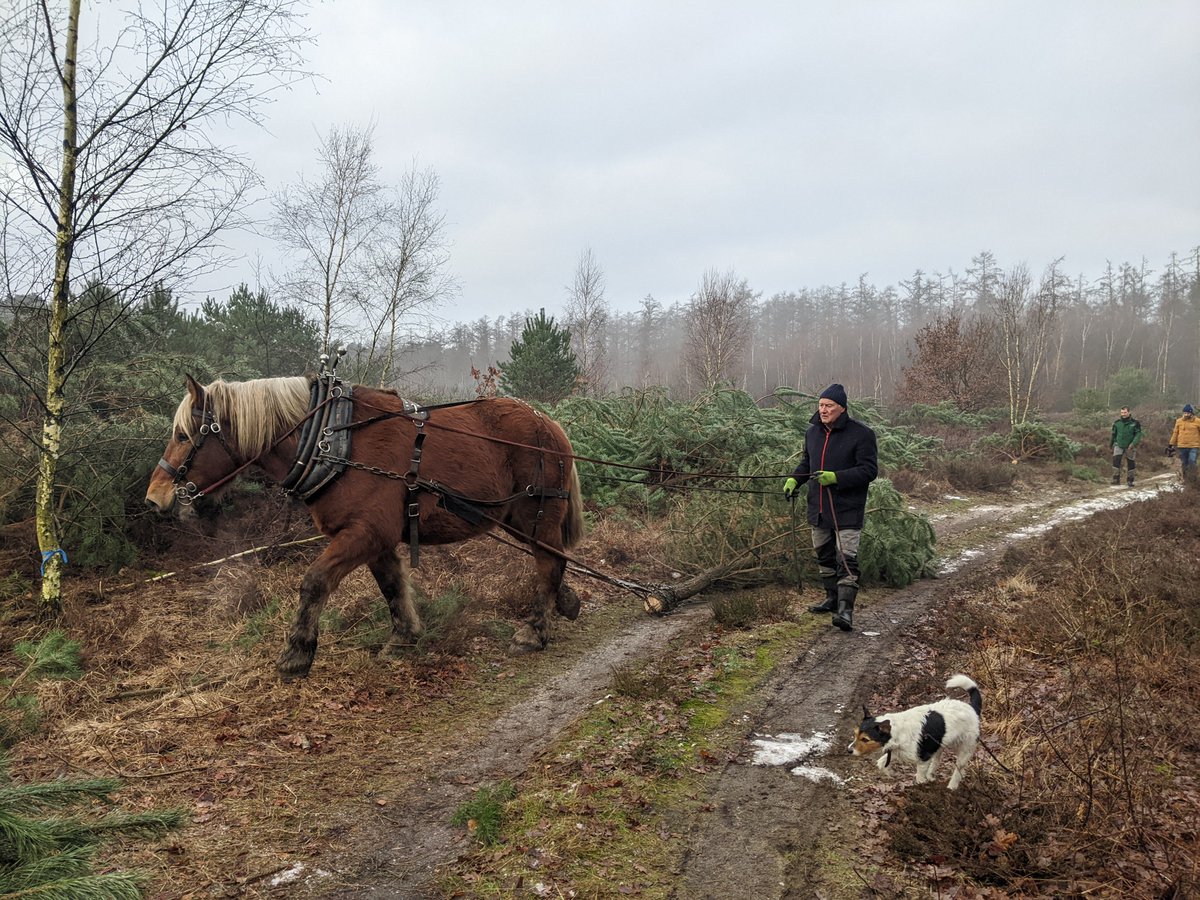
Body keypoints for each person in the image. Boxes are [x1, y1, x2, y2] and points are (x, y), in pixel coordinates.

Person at [783, 384, 878, 631]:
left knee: (846, 558)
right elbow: (807, 462)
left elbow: (869, 470)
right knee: (823, 554)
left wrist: (836, 477)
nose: (823, 410)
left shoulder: (862, 434)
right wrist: (795, 479)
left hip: (847, 508)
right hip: (818, 508)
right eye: (821, 405)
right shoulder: (812, 432)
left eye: (829, 406)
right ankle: (831, 599)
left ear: (842, 408)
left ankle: (846, 612)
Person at [1110, 406, 1143, 486]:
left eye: (1125, 412)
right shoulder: (1117, 423)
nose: (1123, 414)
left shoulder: (1135, 423)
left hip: (1130, 446)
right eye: (1122, 412)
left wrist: (1133, 443)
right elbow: (1113, 434)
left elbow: (1138, 434)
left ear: (1129, 412)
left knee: (1131, 463)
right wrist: (1111, 444)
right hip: (1118, 445)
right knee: (1116, 462)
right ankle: (1115, 479)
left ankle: (1130, 480)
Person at [1168, 403, 1200, 483]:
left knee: (1192, 461)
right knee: (1184, 463)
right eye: (1185, 413)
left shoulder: (1198, 421)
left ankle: (1193, 479)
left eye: (1188, 413)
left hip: (1194, 445)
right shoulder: (1179, 421)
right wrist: (1171, 444)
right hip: (1182, 445)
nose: (1186, 414)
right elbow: (1175, 433)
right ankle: (1186, 479)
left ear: (1191, 413)